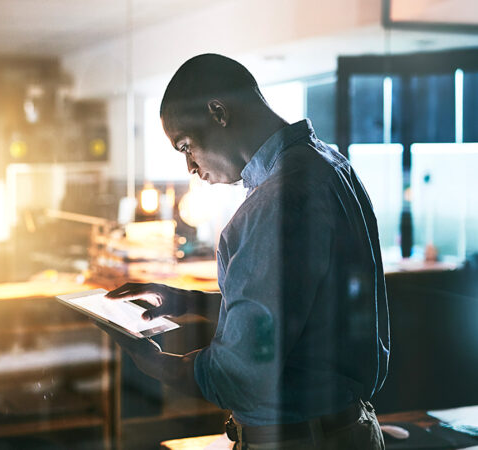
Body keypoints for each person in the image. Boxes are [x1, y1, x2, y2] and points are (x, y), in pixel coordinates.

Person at [99, 53, 390, 449]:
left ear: (218, 111)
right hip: (342, 430)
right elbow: (294, 315)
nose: (190, 167)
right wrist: (192, 302)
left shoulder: (278, 199)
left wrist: (154, 363)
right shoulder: (331, 165)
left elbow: (241, 375)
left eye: (186, 146)